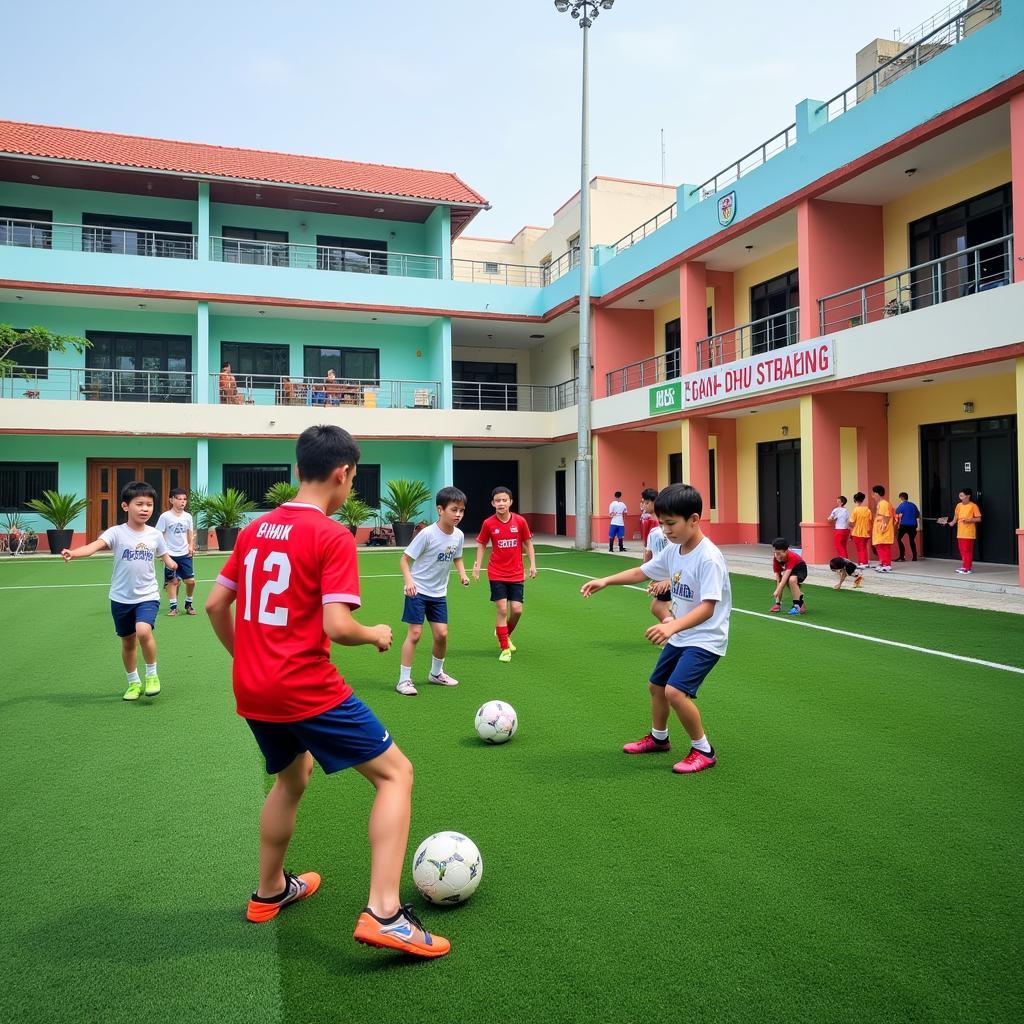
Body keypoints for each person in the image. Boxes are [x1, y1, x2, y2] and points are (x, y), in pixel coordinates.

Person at [204, 424, 450, 958]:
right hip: (305, 685)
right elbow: (339, 626)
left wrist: (248, 659)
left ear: (298, 469)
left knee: (294, 775)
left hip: (253, 686)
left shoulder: (253, 529)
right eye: (353, 478)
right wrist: (376, 633)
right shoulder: (333, 535)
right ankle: (385, 911)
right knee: (396, 774)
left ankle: (269, 891)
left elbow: (214, 606)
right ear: (343, 474)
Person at [580, 483, 730, 776]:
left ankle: (703, 750)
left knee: (675, 692)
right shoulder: (675, 550)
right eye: (662, 523)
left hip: (706, 638)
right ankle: (659, 739)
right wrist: (605, 581)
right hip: (683, 634)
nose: (666, 530)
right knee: (656, 687)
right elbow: (641, 572)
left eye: (671, 523)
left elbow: (708, 607)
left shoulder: (709, 558)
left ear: (695, 519)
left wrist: (672, 626)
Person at [61, 480, 177, 700]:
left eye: (149, 505)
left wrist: (171, 563)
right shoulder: (116, 532)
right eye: (139, 503)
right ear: (125, 506)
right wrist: (75, 553)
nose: (145, 509)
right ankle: (133, 683)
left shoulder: (154, 534)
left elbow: (164, 554)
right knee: (128, 641)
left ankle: (152, 675)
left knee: (144, 631)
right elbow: (95, 546)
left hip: (147, 595)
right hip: (121, 597)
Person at [395, 486, 471, 696]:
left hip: (439, 594)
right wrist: (408, 581)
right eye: (454, 510)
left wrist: (463, 574)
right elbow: (404, 559)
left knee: (442, 635)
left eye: (461, 510)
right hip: (417, 591)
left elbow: (457, 556)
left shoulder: (459, 535)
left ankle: (436, 674)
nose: (458, 515)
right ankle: (404, 680)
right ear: (440, 510)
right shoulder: (427, 534)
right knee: (415, 634)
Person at [472, 485, 536, 662]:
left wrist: (532, 565)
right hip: (496, 572)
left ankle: (504, 633)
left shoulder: (520, 521)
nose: (501, 503)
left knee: (516, 610)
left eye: (504, 500)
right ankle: (505, 648)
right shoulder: (488, 523)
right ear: (493, 503)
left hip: (516, 572)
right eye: (497, 500)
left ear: (510, 502)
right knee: (501, 609)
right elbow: (482, 544)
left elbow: (528, 543)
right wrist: (477, 565)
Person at [156, 487, 196, 616]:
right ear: (171, 500)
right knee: (173, 581)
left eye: (184, 499)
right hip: (170, 555)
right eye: (179, 499)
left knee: (190, 581)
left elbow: (190, 533)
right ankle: (173, 607)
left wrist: (191, 546)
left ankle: (188, 604)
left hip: (185, 554)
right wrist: (162, 553)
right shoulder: (165, 517)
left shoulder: (188, 517)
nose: (182, 502)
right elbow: (159, 534)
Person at [642, 490, 672, 623]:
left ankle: (674, 633)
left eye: (646, 502)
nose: (643, 505)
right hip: (662, 572)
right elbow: (648, 552)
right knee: (658, 607)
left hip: (669, 574)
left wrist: (667, 579)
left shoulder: (663, 529)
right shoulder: (653, 527)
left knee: (661, 607)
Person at [943, 488, 982, 574]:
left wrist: (969, 520)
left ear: (968, 496)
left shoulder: (973, 506)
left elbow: (979, 519)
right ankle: (964, 566)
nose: (960, 497)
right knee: (962, 550)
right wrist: (948, 523)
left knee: (967, 550)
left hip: (969, 533)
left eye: (962, 495)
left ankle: (967, 568)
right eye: (960, 495)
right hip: (960, 532)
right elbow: (955, 519)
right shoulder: (958, 506)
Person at [770, 537, 807, 615]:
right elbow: (778, 577)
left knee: (792, 580)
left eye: (780, 553)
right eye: (776, 553)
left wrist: (777, 590)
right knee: (779, 581)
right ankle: (779, 603)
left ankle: (797, 606)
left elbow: (786, 575)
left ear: (786, 551)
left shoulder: (792, 557)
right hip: (789, 571)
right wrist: (777, 602)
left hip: (800, 569)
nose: (778, 556)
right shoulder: (776, 557)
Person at [871, 485, 895, 573]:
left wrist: (882, 528)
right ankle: (882, 563)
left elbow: (886, 517)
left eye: (873, 494)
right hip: (879, 530)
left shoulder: (884, 504)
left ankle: (887, 565)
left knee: (884, 547)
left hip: (883, 531)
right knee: (880, 547)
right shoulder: (881, 504)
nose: (872, 496)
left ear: (877, 494)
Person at [894, 491, 920, 562]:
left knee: (899, 539)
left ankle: (902, 556)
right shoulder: (913, 505)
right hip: (913, 525)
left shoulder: (902, 505)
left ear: (901, 498)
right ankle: (914, 557)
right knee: (912, 540)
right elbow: (917, 514)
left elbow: (897, 512)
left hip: (904, 525)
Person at [849, 491, 872, 569]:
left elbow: (851, 522)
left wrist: (851, 527)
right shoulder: (868, 510)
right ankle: (864, 562)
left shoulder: (855, 510)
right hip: (866, 532)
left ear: (855, 500)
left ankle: (862, 562)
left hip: (857, 532)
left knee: (859, 548)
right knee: (864, 547)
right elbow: (870, 520)